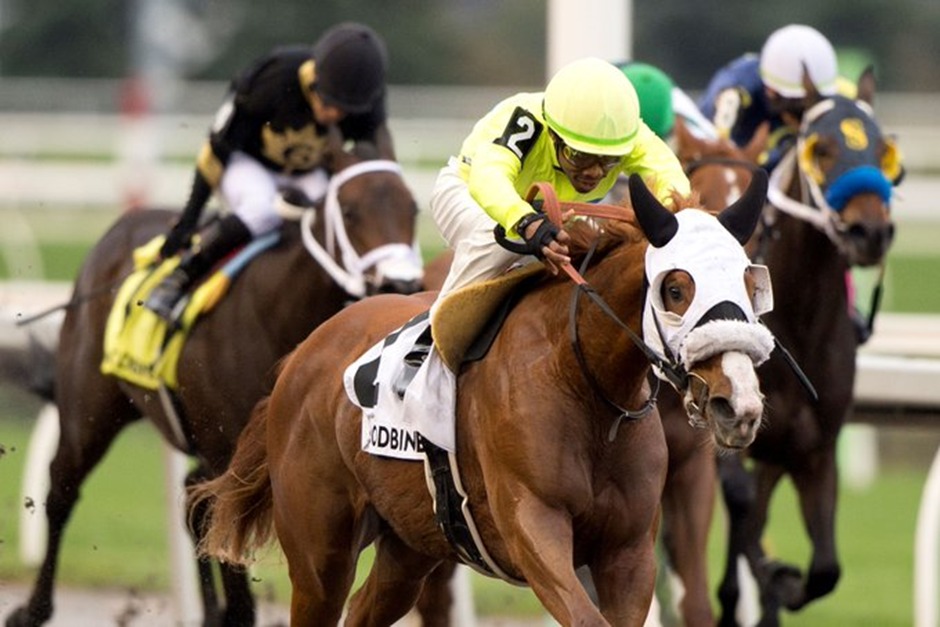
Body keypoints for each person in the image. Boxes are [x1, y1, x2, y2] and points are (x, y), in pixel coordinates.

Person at [402, 58, 691, 452]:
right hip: (471, 196)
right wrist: (527, 223)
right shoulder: (525, 120)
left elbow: (672, 179)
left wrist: (671, 224)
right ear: (554, 135)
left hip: (544, 212)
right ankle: (427, 355)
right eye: (578, 157)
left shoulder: (628, 135)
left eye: (607, 162)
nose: (592, 172)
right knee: (497, 242)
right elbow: (490, 178)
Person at [144, 22, 394, 320]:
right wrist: (188, 221)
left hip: (308, 172)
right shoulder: (271, 80)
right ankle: (183, 276)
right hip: (248, 163)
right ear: (313, 77)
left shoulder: (366, 99)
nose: (333, 116)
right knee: (264, 210)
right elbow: (216, 152)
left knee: (336, 219)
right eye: (327, 101)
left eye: (344, 111)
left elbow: (369, 162)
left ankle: (350, 294)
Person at [697, 24, 839, 171]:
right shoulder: (736, 91)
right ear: (771, 91)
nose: (806, 111)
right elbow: (711, 150)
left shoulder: (834, 93)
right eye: (798, 105)